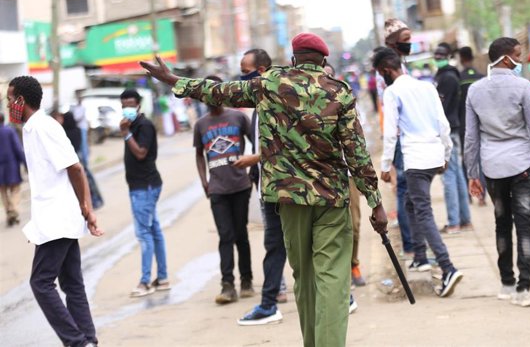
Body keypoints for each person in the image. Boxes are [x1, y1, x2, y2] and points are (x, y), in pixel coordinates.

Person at [140, 32, 387, 347]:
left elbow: (218, 92)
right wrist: (375, 202)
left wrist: (173, 79)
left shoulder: (269, 84)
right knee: (333, 280)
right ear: (324, 61)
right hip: (331, 198)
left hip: (289, 198)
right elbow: (356, 152)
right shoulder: (338, 92)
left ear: (294, 58)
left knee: (305, 277)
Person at [6, 76, 103, 347]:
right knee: (72, 284)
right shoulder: (32, 128)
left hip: (58, 218)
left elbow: (75, 167)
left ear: (21, 101)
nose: (8, 104)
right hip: (55, 217)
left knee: (41, 283)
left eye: (10, 99)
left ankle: (76, 342)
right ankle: (88, 341)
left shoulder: (43, 127)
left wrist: (87, 207)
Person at [465, 37, 530, 307]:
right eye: (518, 54)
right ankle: (523, 288)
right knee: (524, 225)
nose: (522, 59)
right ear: (506, 58)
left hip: (492, 168)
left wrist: (473, 173)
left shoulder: (475, 91)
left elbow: (471, 137)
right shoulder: (523, 86)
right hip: (522, 166)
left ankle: (506, 283)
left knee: (502, 222)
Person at [375, 47, 463, 296]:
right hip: (434, 154)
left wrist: (385, 166)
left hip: (415, 159)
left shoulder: (392, 92)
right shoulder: (426, 86)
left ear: (386, 71)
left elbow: (391, 132)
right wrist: (446, 154)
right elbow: (443, 124)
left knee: (422, 210)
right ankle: (421, 256)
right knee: (411, 204)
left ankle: (448, 267)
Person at [235, 48, 289, 325]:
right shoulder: (258, 102)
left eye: (246, 71)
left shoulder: (277, 98)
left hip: (286, 187)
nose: (243, 77)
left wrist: (253, 159)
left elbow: (284, 145)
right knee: (275, 245)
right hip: (267, 183)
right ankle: (269, 303)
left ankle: (342, 296)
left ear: (263, 70)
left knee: (305, 245)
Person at [194, 75, 254, 305]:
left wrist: (251, 166)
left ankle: (246, 280)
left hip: (240, 185)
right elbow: (199, 155)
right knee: (225, 236)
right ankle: (227, 285)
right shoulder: (201, 124)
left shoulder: (238, 117)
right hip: (217, 189)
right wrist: (204, 181)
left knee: (241, 234)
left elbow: (255, 143)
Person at [119, 89, 171, 296]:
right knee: (154, 230)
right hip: (140, 186)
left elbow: (141, 153)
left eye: (131, 105)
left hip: (145, 186)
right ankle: (164, 277)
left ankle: (145, 281)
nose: (127, 109)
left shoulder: (144, 125)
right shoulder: (130, 124)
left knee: (144, 233)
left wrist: (126, 134)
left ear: (139, 105)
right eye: (124, 105)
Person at [324, 63, 366, 288]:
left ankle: (353, 264)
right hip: (321, 177)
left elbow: (358, 143)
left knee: (354, 223)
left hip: (346, 174)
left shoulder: (346, 102)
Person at [382, 19, 415, 257]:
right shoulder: (388, 71)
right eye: (405, 41)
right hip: (401, 139)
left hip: (410, 137)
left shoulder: (402, 66)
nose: (409, 44)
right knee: (404, 191)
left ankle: (416, 243)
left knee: (412, 192)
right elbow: (389, 114)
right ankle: (412, 246)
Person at [434, 42, 471, 234]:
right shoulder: (451, 75)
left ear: (447, 56)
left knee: (448, 175)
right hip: (454, 127)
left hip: (447, 131)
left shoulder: (447, 78)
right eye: (436, 55)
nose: (437, 59)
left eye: (441, 56)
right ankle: (464, 219)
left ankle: (454, 221)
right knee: (456, 175)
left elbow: (441, 109)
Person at [54, 112, 104, 210]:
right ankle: (94, 201)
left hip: (71, 160)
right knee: (88, 181)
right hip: (80, 158)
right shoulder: (78, 130)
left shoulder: (64, 132)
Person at [458, 46, 487, 207]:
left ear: (461, 59)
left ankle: (469, 194)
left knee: (467, 159)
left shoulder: (459, 78)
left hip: (464, 125)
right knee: (481, 159)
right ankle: (482, 195)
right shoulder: (481, 78)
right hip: (482, 124)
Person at [0, 112, 26, 226]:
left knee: (3, 192)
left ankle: (9, 211)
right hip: (11, 165)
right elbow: (17, 147)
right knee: (15, 189)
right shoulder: (9, 131)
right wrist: (25, 163)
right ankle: (13, 209)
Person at [71, 90, 90, 168]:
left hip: (82, 128)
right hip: (77, 128)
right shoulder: (75, 107)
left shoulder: (82, 107)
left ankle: (85, 162)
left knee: (83, 145)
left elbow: (77, 118)